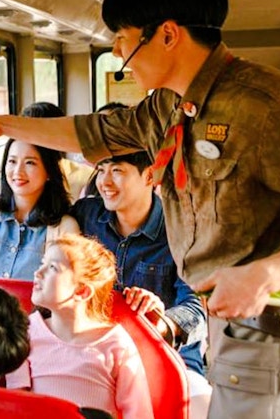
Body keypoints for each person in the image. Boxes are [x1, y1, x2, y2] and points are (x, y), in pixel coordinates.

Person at [0, 0, 280, 418]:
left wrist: (266, 273)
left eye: (124, 38)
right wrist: (5, 125)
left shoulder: (272, 107)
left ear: (167, 35)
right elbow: (88, 134)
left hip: (273, 317)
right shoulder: (167, 108)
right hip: (226, 320)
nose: (116, 53)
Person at [72, 151, 211, 419]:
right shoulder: (85, 215)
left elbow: (196, 309)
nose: (105, 182)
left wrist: (156, 323)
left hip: (169, 357)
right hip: (96, 357)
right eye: (101, 170)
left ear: (150, 175)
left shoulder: (181, 227)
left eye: (117, 171)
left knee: (201, 407)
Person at [6, 233, 154, 418]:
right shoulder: (24, 333)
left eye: (52, 267)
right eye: (42, 263)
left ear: (82, 291)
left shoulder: (117, 343)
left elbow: (139, 412)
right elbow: (17, 404)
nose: (38, 272)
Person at [0, 137, 79, 278]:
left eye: (30, 163)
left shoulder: (65, 227)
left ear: (49, 171)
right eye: (12, 161)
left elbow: (61, 289)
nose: (18, 171)